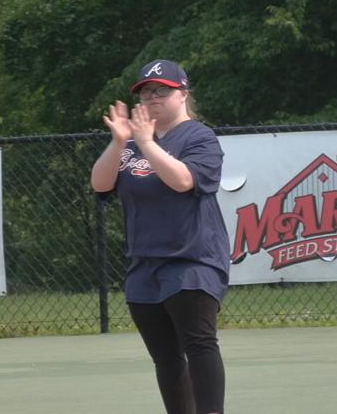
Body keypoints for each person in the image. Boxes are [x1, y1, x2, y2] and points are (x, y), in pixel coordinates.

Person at [91, 59, 229, 414]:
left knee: (199, 344)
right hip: (144, 265)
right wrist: (120, 141)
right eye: (145, 91)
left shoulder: (199, 137)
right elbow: (101, 184)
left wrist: (146, 143)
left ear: (182, 94)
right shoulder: (132, 144)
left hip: (192, 260)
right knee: (165, 357)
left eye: (161, 90)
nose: (152, 96)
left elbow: (184, 181)